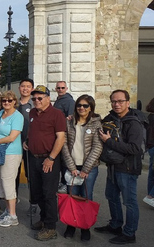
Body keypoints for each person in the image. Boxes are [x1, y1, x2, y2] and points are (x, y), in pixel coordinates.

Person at [95, 90, 145, 244]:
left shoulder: (134, 122)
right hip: (112, 166)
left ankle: (129, 233)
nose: (117, 104)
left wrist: (109, 142)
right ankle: (115, 225)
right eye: (114, 101)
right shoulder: (110, 118)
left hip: (128, 168)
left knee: (129, 202)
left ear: (128, 103)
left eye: (120, 101)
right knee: (112, 197)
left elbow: (135, 149)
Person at [25, 85, 66, 241]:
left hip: (49, 159)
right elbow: (34, 132)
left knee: (49, 194)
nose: (36, 101)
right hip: (33, 157)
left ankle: (51, 227)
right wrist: (28, 141)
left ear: (48, 98)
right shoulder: (33, 113)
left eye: (39, 98)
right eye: (34, 98)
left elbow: (60, 138)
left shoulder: (57, 114)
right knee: (37, 192)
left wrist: (51, 158)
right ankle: (43, 219)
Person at [61, 94, 103, 241]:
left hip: (89, 168)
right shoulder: (69, 122)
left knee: (86, 197)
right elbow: (64, 145)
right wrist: (71, 166)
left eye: (85, 105)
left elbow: (97, 147)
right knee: (72, 196)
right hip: (72, 166)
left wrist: (86, 169)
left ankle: (85, 227)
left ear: (91, 107)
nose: (82, 108)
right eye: (79, 105)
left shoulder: (96, 123)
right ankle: (71, 225)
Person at [0, 91, 24, 227]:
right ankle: (7, 210)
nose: (7, 102)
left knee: (8, 183)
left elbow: (12, 137)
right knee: (0, 183)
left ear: (14, 102)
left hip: (11, 152)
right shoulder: (1, 113)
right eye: (4, 100)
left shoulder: (17, 116)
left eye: (10, 100)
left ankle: (13, 215)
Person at [16, 78, 37, 215]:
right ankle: (13, 200)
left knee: (31, 175)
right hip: (15, 144)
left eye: (28, 86)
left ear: (32, 88)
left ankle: (33, 203)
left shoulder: (36, 104)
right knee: (14, 175)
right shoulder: (13, 104)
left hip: (30, 145)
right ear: (19, 88)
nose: (25, 89)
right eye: (23, 86)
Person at [144, 98, 154, 208]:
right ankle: (151, 196)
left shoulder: (149, 117)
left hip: (151, 147)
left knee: (152, 172)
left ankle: (150, 195)